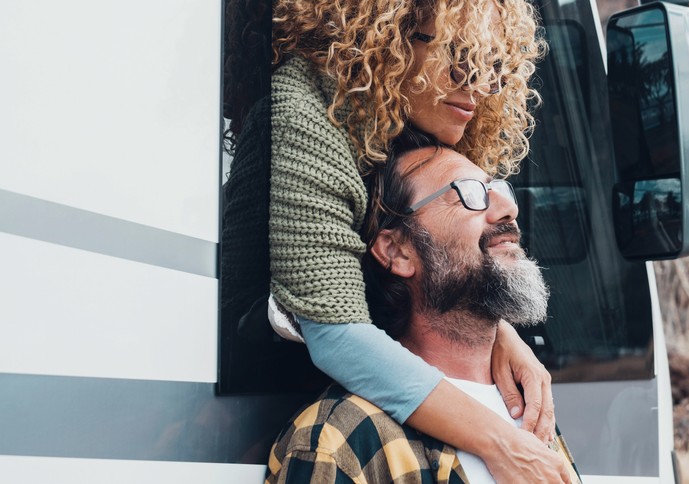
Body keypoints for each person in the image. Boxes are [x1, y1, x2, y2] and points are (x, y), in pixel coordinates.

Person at [221, 0, 569, 480]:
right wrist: (501, 442)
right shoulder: (309, 112)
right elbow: (335, 331)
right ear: (394, 40)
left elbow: (439, 263)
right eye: (461, 58)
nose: (480, 84)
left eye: (491, 65)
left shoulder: (407, 123)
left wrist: (499, 335)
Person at [265, 137, 581, 483]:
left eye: (499, 189)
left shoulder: (529, 406)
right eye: (470, 192)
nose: (508, 209)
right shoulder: (338, 441)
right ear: (398, 251)